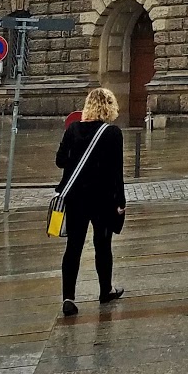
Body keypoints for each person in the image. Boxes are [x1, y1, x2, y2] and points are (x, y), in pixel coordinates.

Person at [53, 87, 127, 317]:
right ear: (109, 107)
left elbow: (59, 161)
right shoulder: (113, 133)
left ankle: (68, 297)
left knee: (73, 247)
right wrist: (120, 201)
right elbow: (117, 172)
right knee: (102, 245)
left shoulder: (73, 129)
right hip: (103, 199)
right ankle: (105, 290)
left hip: (76, 198)